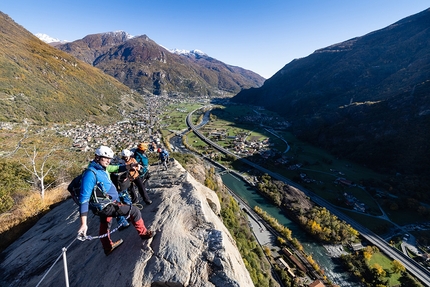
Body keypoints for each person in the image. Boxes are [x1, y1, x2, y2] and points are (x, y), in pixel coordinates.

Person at [77, 145, 154, 256]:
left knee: (105, 223)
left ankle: (107, 247)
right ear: (97, 157)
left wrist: (131, 165)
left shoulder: (102, 168)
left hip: (104, 204)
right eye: (105, 158)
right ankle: (144, 234)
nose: (108, 161)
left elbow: (117, 168)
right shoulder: (90, 173)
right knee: (134, 211)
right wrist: (83, 224)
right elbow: (84, 200)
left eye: (109, 159)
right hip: (105, 206)